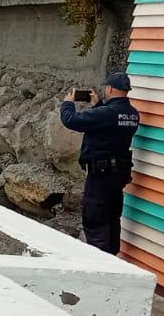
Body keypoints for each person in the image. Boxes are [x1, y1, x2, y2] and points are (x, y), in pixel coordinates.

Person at [59, 72, 140, 255]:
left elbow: (70, 120)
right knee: (112, 220)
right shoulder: (133, 114)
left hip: (100, 176)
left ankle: (99, 263)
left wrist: (67, 103)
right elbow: (111, 127)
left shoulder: (105, 114)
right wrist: (98, 105)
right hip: (119, 176)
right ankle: (113, 260)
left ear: (109, 88)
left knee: (96, 222)